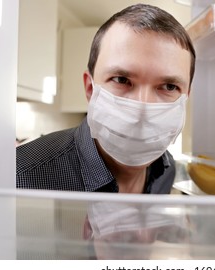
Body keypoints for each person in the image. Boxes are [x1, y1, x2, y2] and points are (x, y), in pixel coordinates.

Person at [16, 4, 196, 194]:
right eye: (121, 80)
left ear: (185, 97)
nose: (143, 111)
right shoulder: (20, 177)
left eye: (169, 87)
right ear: (89, 88)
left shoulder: (167, 171)